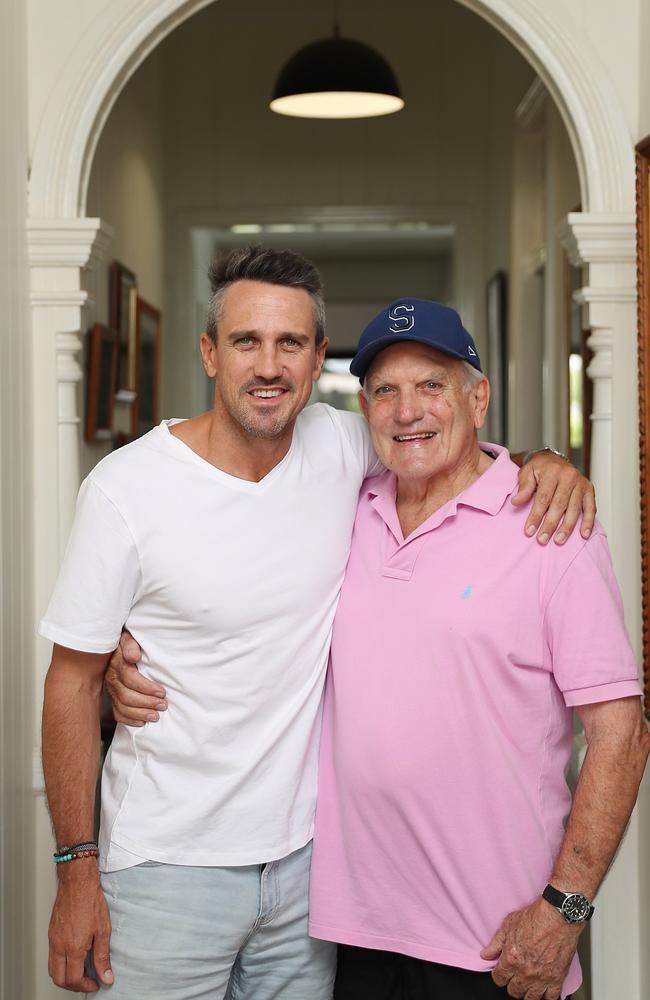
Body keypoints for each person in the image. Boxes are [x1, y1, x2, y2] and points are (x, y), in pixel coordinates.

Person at [41, 247, 594, 999]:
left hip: (310, 881)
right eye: (246, 341)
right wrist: (75, 871)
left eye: (291, 343)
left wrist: (546, 460)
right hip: (168, 868)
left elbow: (444, 447)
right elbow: (68, 683)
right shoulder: (127, 489)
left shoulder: (343, 448)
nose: (268, 365)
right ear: (209, 352)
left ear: (316, 358)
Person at [304, 300, 650, 1000]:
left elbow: (622, 736)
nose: (408, 412)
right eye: (387, 391)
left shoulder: (556, 529)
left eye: (432, 385)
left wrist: (566, 910)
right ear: (363, 406)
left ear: (478, 397)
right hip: (357, 937)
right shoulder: (343, 508)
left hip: (498, 946)